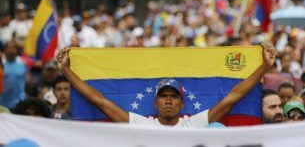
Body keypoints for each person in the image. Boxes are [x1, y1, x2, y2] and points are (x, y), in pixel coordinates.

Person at [56, 42, 276, 127]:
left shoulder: (193, 124)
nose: (168, 99)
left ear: (182, 104)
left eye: (173, 96)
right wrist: (67, 71)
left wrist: (263, 68)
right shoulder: (143, 124)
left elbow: (232, 98)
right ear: (155, 102)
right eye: (164, 96)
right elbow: (100, 101)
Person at [0, 40, 27, 109]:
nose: (10, 50)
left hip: (18, 104)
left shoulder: (23, 64)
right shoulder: (1, 64)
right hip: (2, 104)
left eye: (13, 48)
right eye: (8, 48)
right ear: (4, 50)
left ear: (17, 50)